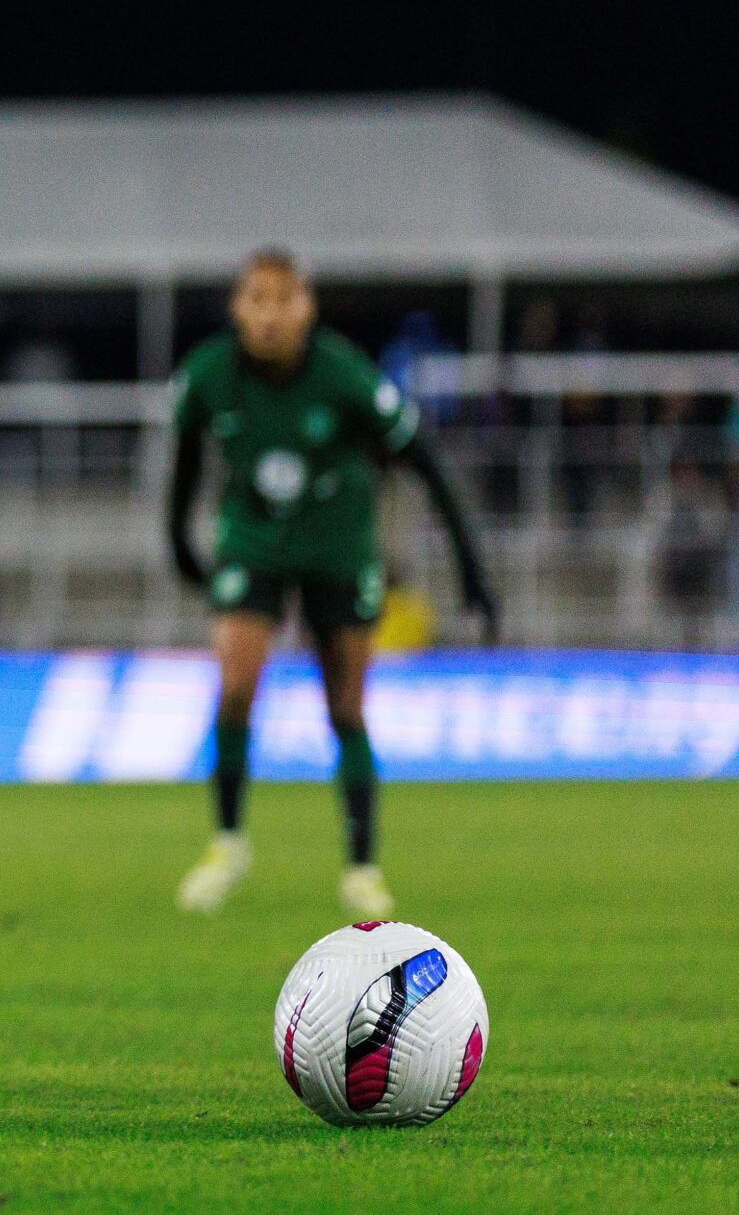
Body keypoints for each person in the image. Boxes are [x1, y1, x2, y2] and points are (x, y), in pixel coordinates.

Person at [166, 249, 497, 917]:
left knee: (345, 707)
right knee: (235, 685)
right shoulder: (208, 375)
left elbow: (424, 460)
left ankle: (362, 865)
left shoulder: (343, 372)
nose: (268, 315)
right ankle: (228, 842)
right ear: (238, 308)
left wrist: (471, 568)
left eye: (282, 300)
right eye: (255, 300)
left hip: (338, 550)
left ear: (305, 308)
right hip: (253, 544)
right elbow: (183, 467)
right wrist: (179, 544)